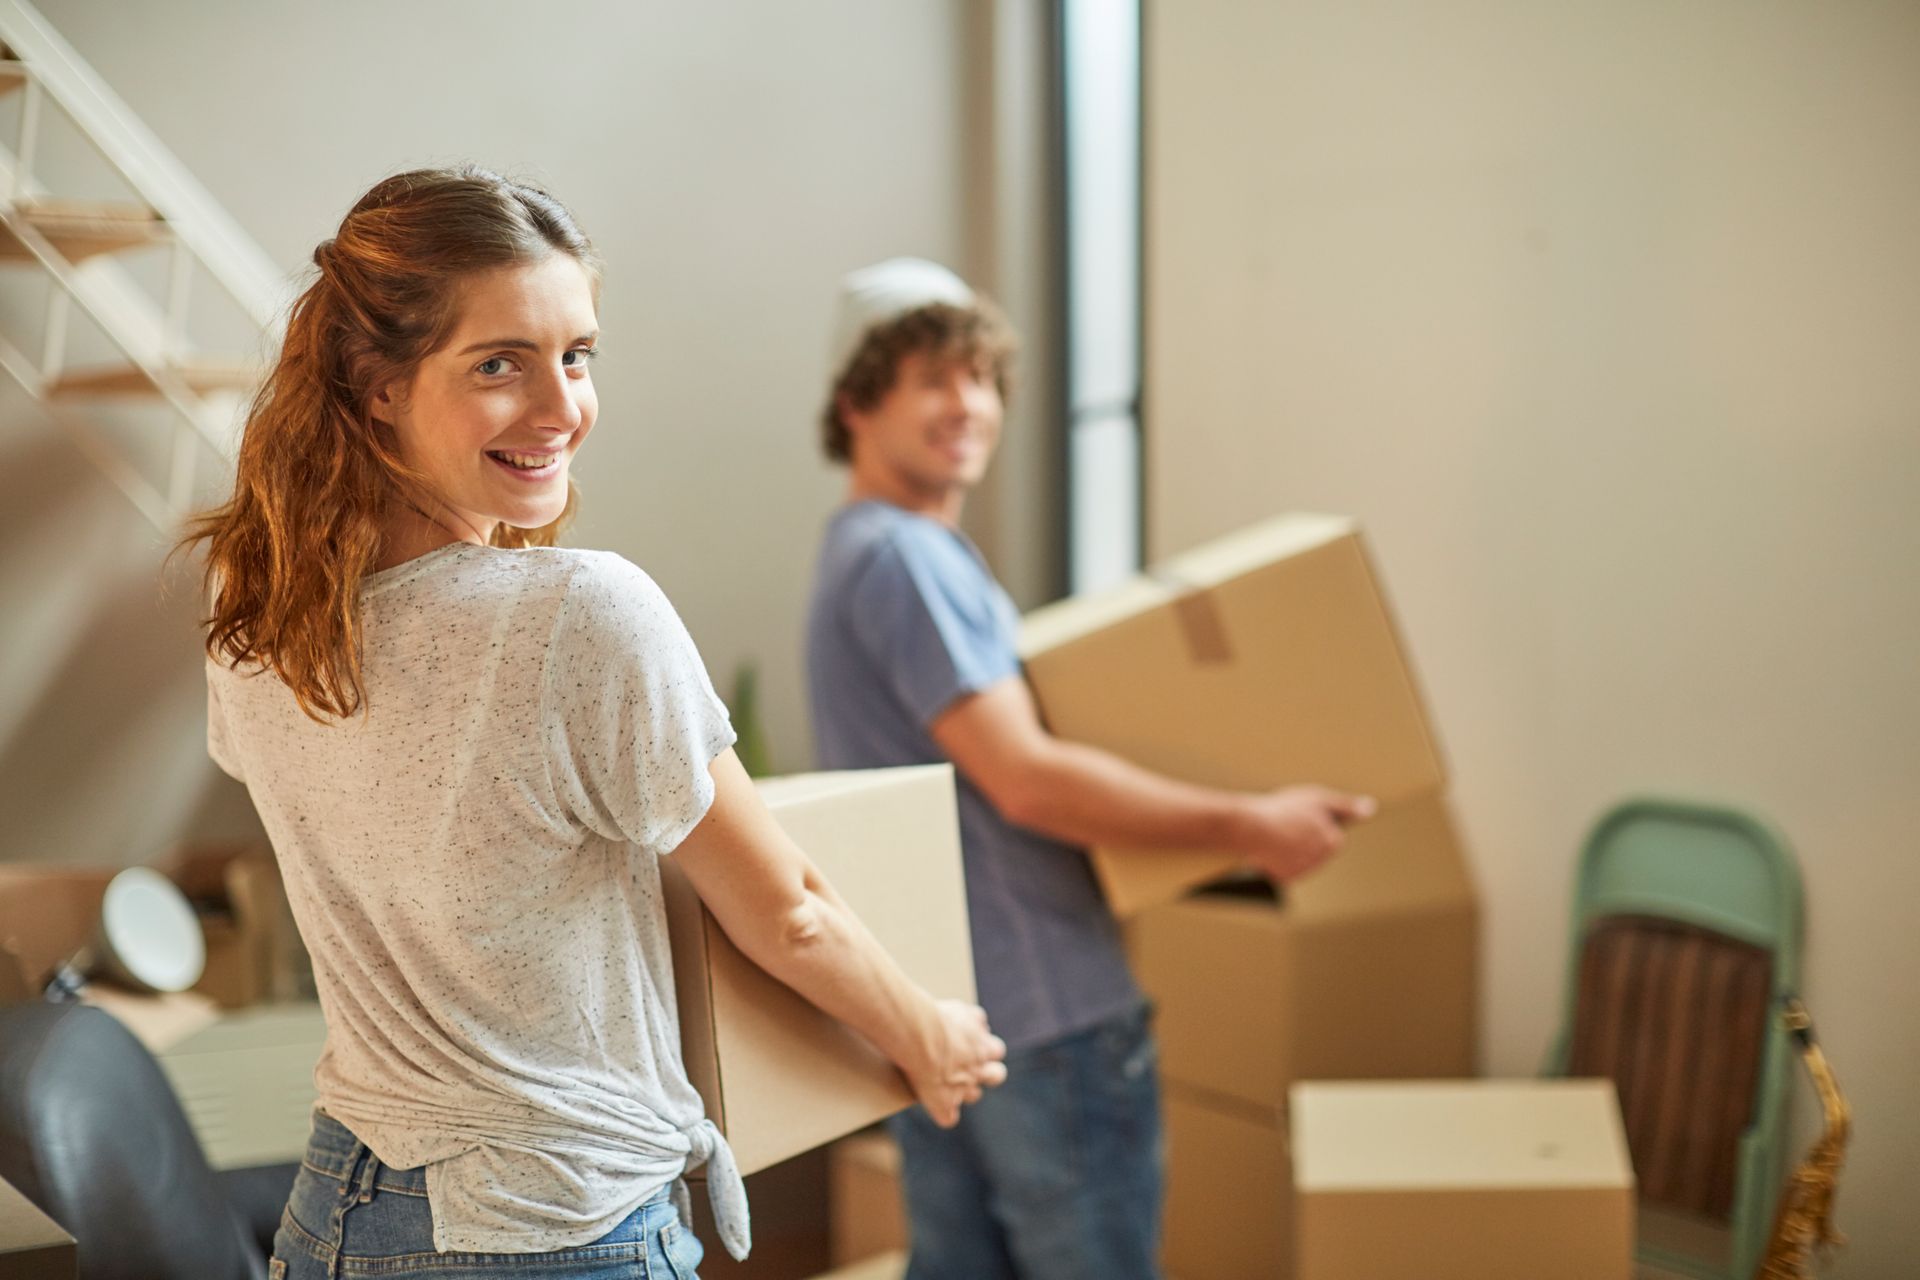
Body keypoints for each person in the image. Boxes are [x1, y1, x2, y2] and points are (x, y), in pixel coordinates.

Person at [185, 172, 1005, 1280]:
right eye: (498, 363)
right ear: (377, 384)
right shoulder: (578, 612)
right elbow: (790, 911)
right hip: (548, 1226)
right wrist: (928, 1034)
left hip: (335, 1211)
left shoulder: (259, 609)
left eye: (576, 355)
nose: (562, 405)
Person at [805, 258, 1373, 1279]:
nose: (968, 403)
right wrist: (1253, 823)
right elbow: (1025, 776)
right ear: (855, 401)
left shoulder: (853, 554)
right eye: (933, 377)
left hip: (947, 1015)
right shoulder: (905, 558)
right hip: (1044, 1016)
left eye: (981, 378)